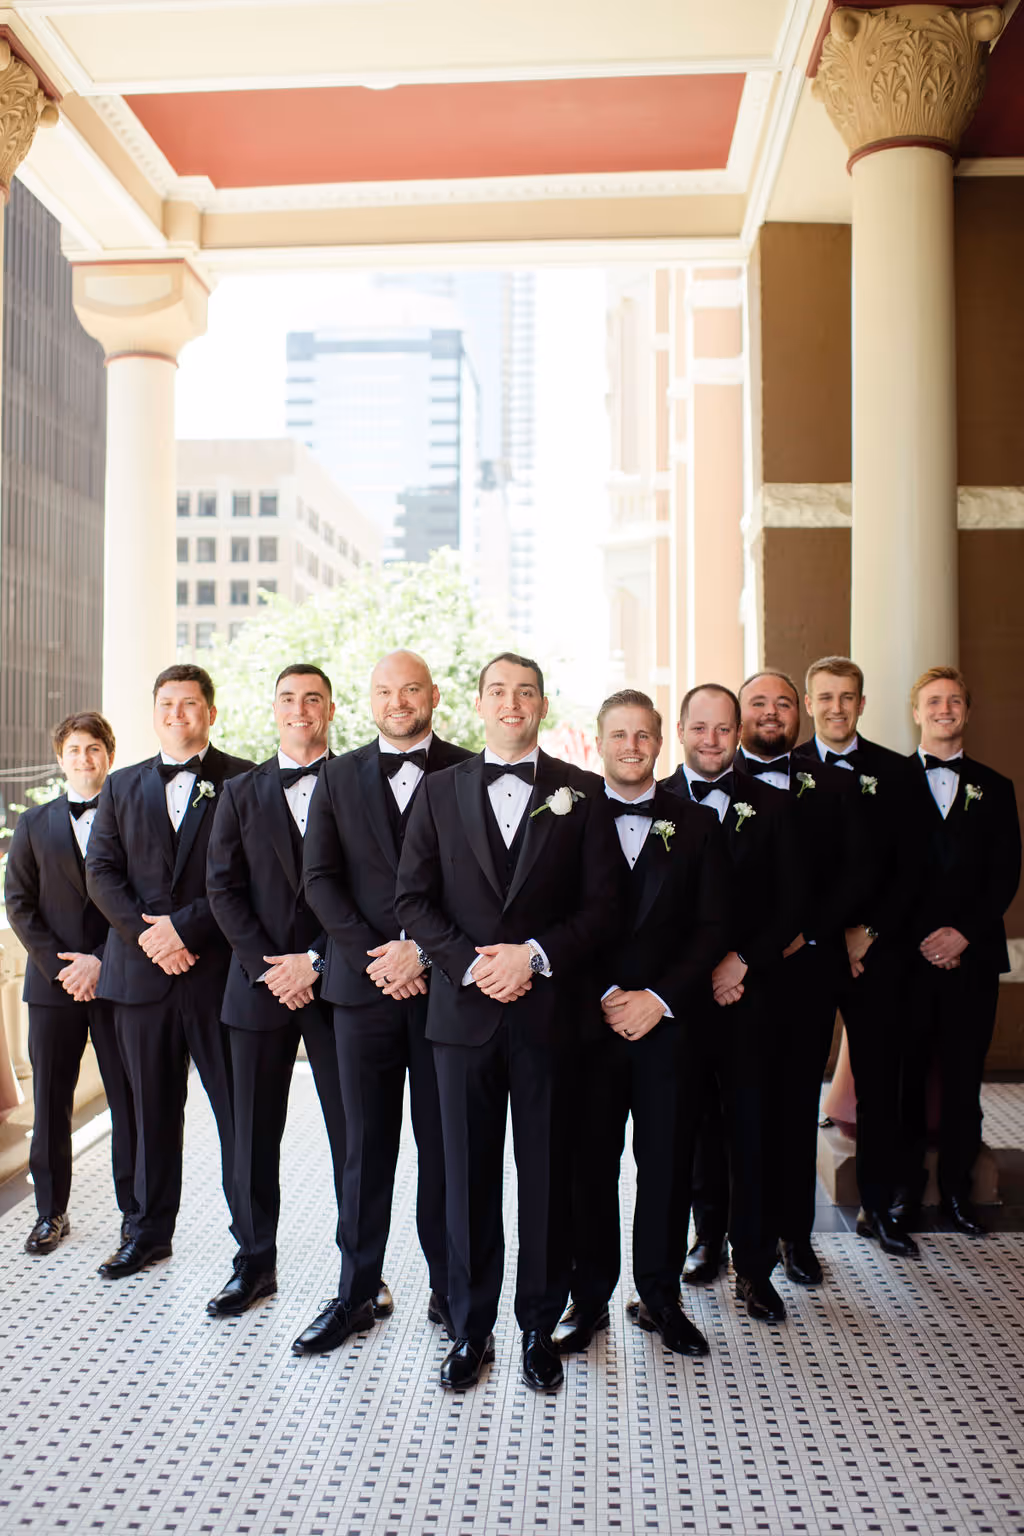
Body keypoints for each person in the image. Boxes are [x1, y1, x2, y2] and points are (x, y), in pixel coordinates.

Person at [395, 653, 621, 1392]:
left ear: (542, 705)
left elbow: (602, 908)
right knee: (465, 1179)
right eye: (498, 691)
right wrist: (470, 964)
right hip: (462, 1021)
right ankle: (470, 1329)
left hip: (550, 1020)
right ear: (478, 703)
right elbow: (413, 898)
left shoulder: (582, 793)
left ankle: (536, 1327)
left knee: (548, 1177)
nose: (512, 703)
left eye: (525, 692)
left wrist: (535, 956)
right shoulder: (439, 790)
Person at [292, 651, 471, 1357]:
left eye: (411, 689)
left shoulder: (469, 771)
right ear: (369, 702)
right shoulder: (336, 776)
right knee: (363, 1150)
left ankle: (451, 1292)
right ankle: (356, 1293)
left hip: (445, 994)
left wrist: (421, 952)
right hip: (360, 992)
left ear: (434, 695)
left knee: (446, 1148)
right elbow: (319, 879)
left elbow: (478, 887)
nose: (399, 701)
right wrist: (379, 955)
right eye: (385, 691)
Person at [553, 690, 729, 1359]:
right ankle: (589, 1297)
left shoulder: (697, 823)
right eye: (619, 735)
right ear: (599, 742)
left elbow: (712, 925)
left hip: (670, 1027)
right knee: (589, 1168)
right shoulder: (567, 817)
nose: (632, 747)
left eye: (643, 735)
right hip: (588, 1026)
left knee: (667, 1166)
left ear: (661, 742)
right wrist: (603, 994)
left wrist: (657, 997)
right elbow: (553, 919)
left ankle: (660, 1297)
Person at [86, 665, 254, 1278]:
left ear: (211, 712)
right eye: (166, 704)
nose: (177, 714)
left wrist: (185, 930)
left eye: (189, 704)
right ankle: (148, 1233)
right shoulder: (120, 785)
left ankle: (252, 1249)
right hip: (141, 978)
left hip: (219, 978)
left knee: (238, 1118)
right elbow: (101, 873)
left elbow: (253, 877)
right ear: (154, 712)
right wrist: (151, 937)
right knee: (149, 1113)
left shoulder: (245, 780)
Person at [205, 665, 349, 1316]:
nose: (300, 709)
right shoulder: (239, 792)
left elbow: (372, 887)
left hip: (339, 983)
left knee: (354, 1135)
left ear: (331, 710)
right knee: (251, 1136)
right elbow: (222, 889)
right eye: (288, 698)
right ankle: (253, 1264)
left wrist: (315, 960)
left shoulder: (359, 784)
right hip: (257, 987)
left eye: (313, 699)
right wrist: (272, 968)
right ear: (274, 710)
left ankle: (361, 1273)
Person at [662, 684, 799, 1321]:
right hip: (678, 1001)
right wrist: (688, 976)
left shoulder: (773, 806)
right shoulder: (652, 799)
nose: (712, 740)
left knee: (752, 1133)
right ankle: (704, 1239)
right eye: (700, 727)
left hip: (751, 995)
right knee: (688, 1130)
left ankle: (755, 1267)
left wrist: (743, 961)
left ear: (737, 731)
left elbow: (791, 903)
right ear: (680, 731)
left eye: (723, 728)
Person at [795, 657, 921, 1257]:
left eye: (847, 697)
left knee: (879, 1084)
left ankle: (878, 1206)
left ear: (862, 704)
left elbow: (911, 866)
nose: (836, 707)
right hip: (807, 956)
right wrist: (823, 933)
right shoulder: (786, 768)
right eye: (825, 697)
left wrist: (868, 931)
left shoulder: (896, 772)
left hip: (877, 954)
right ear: (810, 703)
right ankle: (792, 1227)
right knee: (796, 1087)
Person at [733, 669, 855, 1288]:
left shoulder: (833, 785)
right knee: (723, 1113)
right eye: (759, 702)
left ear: (798, 713)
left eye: (783, 703)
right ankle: (714, 1232)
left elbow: (851, 875)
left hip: (805, 971)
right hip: (729, 978)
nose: (772, 712)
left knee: (794, 1106)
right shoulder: (709, 784)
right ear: (740, 714)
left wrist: (803, 934)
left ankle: (794, 1236)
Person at [5, 711, 136, 1257]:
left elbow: (143, 900)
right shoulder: (33, 824)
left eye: (94, 749)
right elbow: (19, 904)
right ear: (60, 760)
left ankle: (136, 1216)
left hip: (119, 981)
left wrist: (102, 961)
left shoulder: (134, 817)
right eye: (74, 750)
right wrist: (64, 968)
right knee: (51, 1102)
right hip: (52, 986)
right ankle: (49, 1213)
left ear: (109, 756)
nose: (85, 759)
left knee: (128, 1101)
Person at [899, 666, 1020, 1235]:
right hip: (907, 958)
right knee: (906, 1076)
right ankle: (903, 1191)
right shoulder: (890, 783)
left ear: (967, 712)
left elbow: (1005, 873)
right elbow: (884, 873)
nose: (944, 709)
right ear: (916, 712)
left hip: (974, 956)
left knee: (965, 1076)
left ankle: (955, 1190)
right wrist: (923, 940)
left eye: (954, 701)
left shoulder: (997, 787)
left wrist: (963, 934)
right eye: (933, 701)